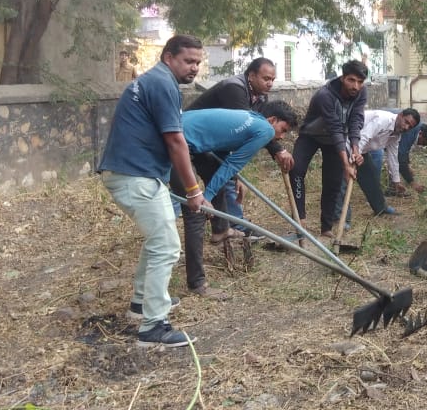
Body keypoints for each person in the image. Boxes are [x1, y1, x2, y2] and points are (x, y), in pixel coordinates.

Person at [98, 35, 204, 348]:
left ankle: (140, 304)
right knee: (167, 245)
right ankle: (153, 327)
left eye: (198, 62)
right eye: (188, 61)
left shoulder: (157, 81)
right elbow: (175, 141)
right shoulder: (162, 84)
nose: (194, 68)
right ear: (169, 57)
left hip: (138, 173)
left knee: (158, 239)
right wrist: (194, 189)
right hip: (135, 175)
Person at [169, 101, 300, 299]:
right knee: (195, 210)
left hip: (183, 137)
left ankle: (220, 230)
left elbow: (221, 150)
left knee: (216, 173)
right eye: (282, 130)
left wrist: (234, 178)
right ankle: (197, 283)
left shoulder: (251, 117)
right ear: (272, 120)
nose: (280, 137)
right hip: (175, 143)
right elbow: (231, 164)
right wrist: (206, 198)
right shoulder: (264, 129)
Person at [186, 57, 292, 235]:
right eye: (266, 79)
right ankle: (231, 223)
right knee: (197, 183)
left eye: (273, 80)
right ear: (251, 75)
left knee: (222, 176)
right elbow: (250, 129)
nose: (270, 84)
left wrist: (236, 175)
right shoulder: (234, 89)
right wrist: (277, 150)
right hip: (193, 136)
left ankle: (225, 227)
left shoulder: (260, 97)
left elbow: (255, 127)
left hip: (212, 139)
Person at [291, 60, 368, 237]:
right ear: (342, 78)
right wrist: (346, 164)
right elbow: (334, 127)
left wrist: (355, 150)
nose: (356, 86)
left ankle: (326, 228)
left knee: (333, 181)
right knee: (296, 170)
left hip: (335, 141)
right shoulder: (324, 95)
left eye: (360, 82)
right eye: (351, 80)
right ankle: (299, 218)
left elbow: (355, 121)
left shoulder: (361, 93)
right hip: (310, 136)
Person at [341, 108, 420, 219]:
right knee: (342, 181)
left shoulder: (396, 135)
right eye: (406, 122)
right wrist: (355, 154)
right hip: (346, 143)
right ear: (400, 115)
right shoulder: (383, 120)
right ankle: (340, 217)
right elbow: (363, 136)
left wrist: (396, 181)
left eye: (410, 127)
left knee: (371, 177)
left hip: (360, 150)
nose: (406, 127)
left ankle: (381, 208)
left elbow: (393, 156)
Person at [385, 122, 427, 197]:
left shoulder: (416, 128)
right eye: (424, 143)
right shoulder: (410, 130)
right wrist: (413, 184)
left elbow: (404, 149)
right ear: (421, 134)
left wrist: (407, 165)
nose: (422, 145)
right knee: (377, 160)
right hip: (375, 130)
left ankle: (393, 188)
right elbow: (400, 159)